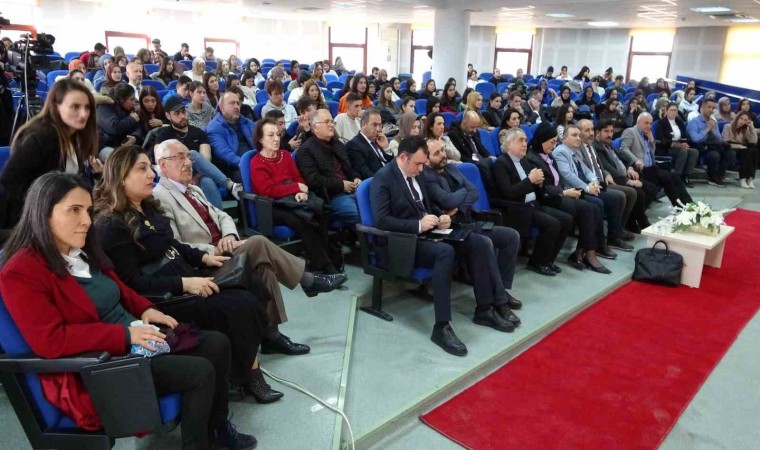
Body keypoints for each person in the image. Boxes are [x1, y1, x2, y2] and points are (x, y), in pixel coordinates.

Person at [0, 172, 257, 449]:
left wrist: (145, 308)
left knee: (217, 344)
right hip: (99, 365)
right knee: (200, 372)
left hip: (133, 341)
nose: (86, 220)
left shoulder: (81, 247)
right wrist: (126, 336)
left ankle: (217, 430)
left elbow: (119, 288)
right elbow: (50, 341)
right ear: (43, 213)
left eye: (87, 211)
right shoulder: (21, 271)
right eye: (74, 210)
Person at [153, 137, 345, 336]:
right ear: (163, 165)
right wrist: (213, 250)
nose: (188, 162)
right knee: (259, 242)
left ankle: (272, 335)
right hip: (205, 261)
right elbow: (175, 244)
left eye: (189, 157)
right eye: (180, 157)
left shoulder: (194, 189)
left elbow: (222, 216)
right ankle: (307, 281)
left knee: (265, 267)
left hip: (227, 247)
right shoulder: (160, 197)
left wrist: (229, 234)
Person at [371, 136, 521, 356]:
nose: (421, 169)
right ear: (403, 157)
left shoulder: (417, 174)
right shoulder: (383, 178)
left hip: (429, 232)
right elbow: (382, 221)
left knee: (478, 242)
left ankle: (485, 308)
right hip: (403, 241)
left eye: (423, 164)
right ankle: (441, 326)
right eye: (418, 164)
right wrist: (418, 225)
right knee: (445, 252)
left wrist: (440, 216)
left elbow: (426, 206)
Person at [422, 138, 523, 302]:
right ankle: (498, 297)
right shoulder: (427, 176)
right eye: (437, 153)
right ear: (426, 160)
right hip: (453, 229)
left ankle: (502, 288)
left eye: (443, 150)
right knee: (484, 243)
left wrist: (458, 204)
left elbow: (474, 191)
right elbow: (447, 201)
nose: (443, 155)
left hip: (469, 220)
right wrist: (463, 192)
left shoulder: (451, 168)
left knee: (511, 236)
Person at [0, 80, 102, 240]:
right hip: (27, 222)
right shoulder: (41, 137)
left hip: (60, 215)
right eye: (75, 107)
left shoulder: (74, 137)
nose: (83, 114)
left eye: (87, 107)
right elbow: (9, 182)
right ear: (56, 106)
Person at [249, 120, 346, 274]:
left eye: (278, 134)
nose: (276, 139)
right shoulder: (256, 162)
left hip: (293, 200)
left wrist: (301, 191)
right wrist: (295, 188)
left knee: (322, 210)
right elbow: (267, 191)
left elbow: (298, 178)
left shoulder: (285, 155)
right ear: (260, 139)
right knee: (302, 220)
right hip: (272, 205)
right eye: (270, 135)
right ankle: (326, 267)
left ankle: (321, 261)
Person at [523, 123, 615, 271]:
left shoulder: (549, 155)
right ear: (542, 139)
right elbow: (544, 187)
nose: (554, 145)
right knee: (587, 209)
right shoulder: (533, 158)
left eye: (555, 141)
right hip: (547, 198)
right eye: (551, 142)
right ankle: (587, 253)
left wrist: (566, 190)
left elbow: (558, 179)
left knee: (592, 207)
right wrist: (564, 192)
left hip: (558, 194)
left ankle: (584, 250)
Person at [492, 129, 572, 276]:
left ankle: (548, 260)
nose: (525, 144)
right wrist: (530, 180)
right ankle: (537, 262)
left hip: (533, 204)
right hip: (518, 208)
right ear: (509, 144)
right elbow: (509, 192)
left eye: (525, 140)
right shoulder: (501, 163)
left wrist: (538, 183)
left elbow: (534, 186)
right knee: (553, 224)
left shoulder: (524, 161)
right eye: (520, 140)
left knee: (567, 220)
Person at [552, 125, 633, 252]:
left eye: (579, 135)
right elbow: (568, 175)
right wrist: (587, 188)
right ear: (564, 138)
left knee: (616, 198)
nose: (578, 138)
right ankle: (599, 244)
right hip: (571, 191)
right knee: (598, 203)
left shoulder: (573, 152)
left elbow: (587, 171)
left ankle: (614, 236)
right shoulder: (560, 152)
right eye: (574, 135)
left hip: (584, 187)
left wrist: (594, 181)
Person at [154, 96, 241, 209]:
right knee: (191, 154)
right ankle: (229, 185)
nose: (182, 116)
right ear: (168, 116)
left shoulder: (199, 133)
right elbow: (159, 160)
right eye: (177, 113)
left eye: (183, 111)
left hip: (197, 175)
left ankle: (218, 217)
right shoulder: (163, 135)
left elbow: (206, 159)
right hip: (174, 176)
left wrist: (196, 176)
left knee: (207, 181)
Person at [577, 119, 644, 236]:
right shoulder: (579, 148)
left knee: (633, 192)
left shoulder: (590, 146)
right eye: (587, 130)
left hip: (602, 180)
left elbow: (599, 165)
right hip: (592, 184)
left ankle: (619, 228)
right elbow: (584, 170)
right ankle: (615, 233)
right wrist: (600, 179)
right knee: (623, 195)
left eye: (592, 130)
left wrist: (606, 173)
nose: (591, 133)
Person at [296, 109, 362, 224]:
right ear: (315, 127)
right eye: (327, 122)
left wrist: (356, 178)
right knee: (364, 215)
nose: (331, 125)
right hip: (331, 197)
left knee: (379, 208)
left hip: (353, 190)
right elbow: (313, 180)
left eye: (332, 122)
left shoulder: (338, 144)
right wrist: (341, 185)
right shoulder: (305, 150)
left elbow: (350, 168)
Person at [619, 113, 693, 206]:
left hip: (652, 167)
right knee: (666, 178)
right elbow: (623, 149)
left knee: (675, 176)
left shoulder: (647, 133)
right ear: (638, 122)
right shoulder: (630, 132)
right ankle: (679, 205)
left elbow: (652, 153)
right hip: (640, 169)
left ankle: (689, 204)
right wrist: (635, 160)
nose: (649, 126)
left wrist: (651, 141)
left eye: (650, 123)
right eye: (646, 123)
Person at [593, 120, 654, 233]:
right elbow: (607, 167)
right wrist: (627, 181)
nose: (610, 134)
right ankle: (635, 222)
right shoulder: (596, 146)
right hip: (615, 178)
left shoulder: (610, 143)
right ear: (597, 132)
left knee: (650, 188)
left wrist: (629, 167)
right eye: (606, 131)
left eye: (611, 131)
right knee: (638, 193)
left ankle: (633, 219)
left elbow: (621, 158)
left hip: (624, 174)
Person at [686, 98, 737, 187]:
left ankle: (719, 175)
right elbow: (695, 139)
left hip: (714, 145)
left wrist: (712, 131)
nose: (711, 110)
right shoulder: (694, 122)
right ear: (702, 107)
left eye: (713, 108)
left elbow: (719, 139)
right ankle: (711, 176)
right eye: (709, 107)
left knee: (731, 153)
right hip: (701, 147)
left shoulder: (713, 122)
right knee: (714, 155)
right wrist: (707, 129)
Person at [206, 92, 255, 181]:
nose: (236, 106)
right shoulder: (214, 127)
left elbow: (261, 143)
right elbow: (224, 153)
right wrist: (247, 163)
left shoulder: (247, 123)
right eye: (232, 103)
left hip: (255, 160)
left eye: (238, 103)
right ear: (221, 107)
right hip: (234, 168)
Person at [654, 102, 700, 187]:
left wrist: (685, 143)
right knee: (683, 152)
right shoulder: (661, 123)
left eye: (675, 110)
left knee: (694, 152)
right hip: (667, 147)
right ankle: (677, 176)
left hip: (680, 145)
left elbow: (685, 136)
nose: (673, 112)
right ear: (666, 111)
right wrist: (675, 144)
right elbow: (661, 139)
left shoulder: (679, 122)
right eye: (671, 110)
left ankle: (686, 176)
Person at [96, 84, 141, 159]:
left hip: (122, 145)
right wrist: (131, 119)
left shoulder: (129, 108)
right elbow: (114, 127)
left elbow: (138, 126)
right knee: (121, 159)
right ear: (122, 99)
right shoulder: (105, 106)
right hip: (104, 146)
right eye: (131, 99)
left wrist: (134, 137)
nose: (133, 103)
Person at [347, 108, 394, 179]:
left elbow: (393, 164)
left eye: (380, 125)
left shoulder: (379, 140)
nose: (378, 129)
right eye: (374, 125)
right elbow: (366, 173)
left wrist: (386, 148)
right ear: (363, 124)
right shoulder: (354, 145)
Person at [722, 111, 758, 188]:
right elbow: (725, 142)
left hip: (742, 149)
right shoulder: (728, 126)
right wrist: (738, 146)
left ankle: (750, 178)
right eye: (741, 118)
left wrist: (751, 127)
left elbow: (753, 141)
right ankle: (743, 178)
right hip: (731, 148)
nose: (742, 121)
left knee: (754, 151)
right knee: (746, 151)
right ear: (737, 118)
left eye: (745, 120)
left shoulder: (745, 129)